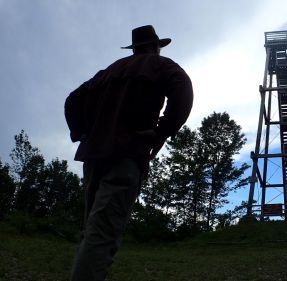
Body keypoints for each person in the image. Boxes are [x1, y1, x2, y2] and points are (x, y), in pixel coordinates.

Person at [64, 25, 193, 281]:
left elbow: (72, 100)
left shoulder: (107, 72)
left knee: (91, 228)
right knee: (102, 232)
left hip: (93, 158)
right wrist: (161, 132)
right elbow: (184, 91)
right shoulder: (163, 66)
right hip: (127, 154)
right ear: (155, 47)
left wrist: (82, 132)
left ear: (135, 48)